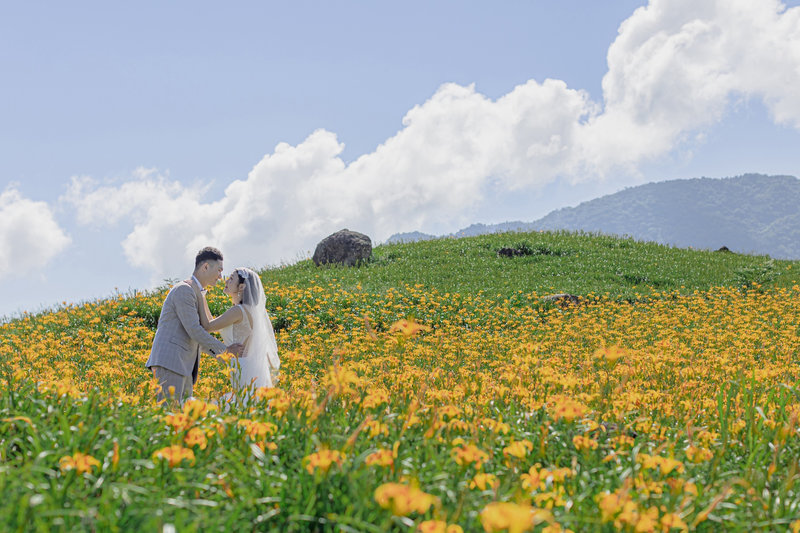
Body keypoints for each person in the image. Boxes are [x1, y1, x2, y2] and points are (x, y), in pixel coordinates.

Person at [145, 247, 244, 406]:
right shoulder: (184, 290)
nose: (220, 276)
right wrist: (225, 352)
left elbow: (200, 331)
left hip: (183, 365)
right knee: (169, 415)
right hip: (171, 362)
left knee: (180, 418)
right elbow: (194, 330)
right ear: (205, 267)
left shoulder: (197, 292)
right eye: (219, 270)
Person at [194, 267, 279, 402]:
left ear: (241, 287)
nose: (226, 280)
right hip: (246, 365)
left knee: (239, 404)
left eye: (232, 278)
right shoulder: (247, 310)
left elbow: (208, 326)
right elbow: (213, 325)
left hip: (243, 368)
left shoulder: (238, 311)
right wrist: (202, 296)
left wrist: (198, 296)